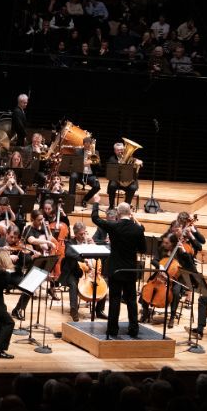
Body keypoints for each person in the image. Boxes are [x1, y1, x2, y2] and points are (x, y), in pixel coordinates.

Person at [91, 201, 145, 338]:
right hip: (131, 270)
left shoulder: (114, 226)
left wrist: (97, 203)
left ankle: (112, 330)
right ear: (130, 213)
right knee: (131, 300)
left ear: (118, 213)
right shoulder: (138, 229)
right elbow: (143, 249)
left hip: (116, 270)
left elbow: (95, 219)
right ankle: (134, 329)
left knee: (115, 299)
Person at [106, 142, 142, 209]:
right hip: (117, 180)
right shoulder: (112, 159)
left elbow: (138, 164)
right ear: (114, 151)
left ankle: (126, 206)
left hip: (128, 181)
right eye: (118, 150)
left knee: (133, 187)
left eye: (121, 149)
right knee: (112, 186)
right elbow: (111, 173)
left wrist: (139, 162)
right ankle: (111, 206)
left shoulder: (131, 158)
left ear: (124, 150)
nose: (120, 151)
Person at [69, 137, 101, 209]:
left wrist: (92, 162)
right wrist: (83, 164)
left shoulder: (96, 152)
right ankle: (71, 201)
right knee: (73, 176)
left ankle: (85, 199)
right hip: (80, 174)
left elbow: (99, 167)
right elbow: (73, 165)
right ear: (83, 144)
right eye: (86, 144)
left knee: (97, 186)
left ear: (91, 145)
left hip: (90, 175)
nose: (87, 146)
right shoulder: (78, 152)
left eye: (89, 144)